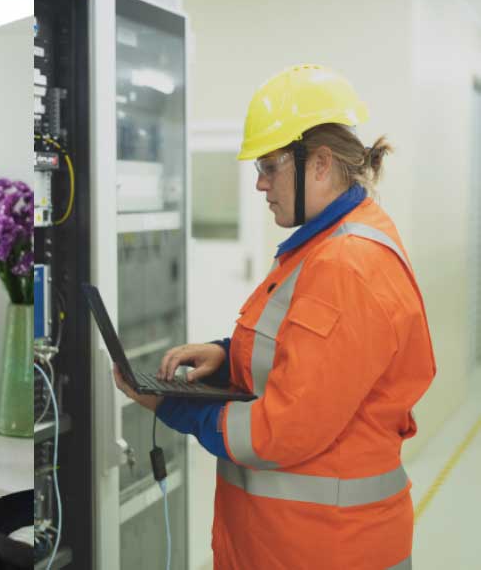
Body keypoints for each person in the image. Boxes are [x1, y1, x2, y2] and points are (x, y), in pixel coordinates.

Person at [113, 64, 434, 570]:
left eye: (268, 167)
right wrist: (224, 356)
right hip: (288, 541)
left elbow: (279, 430)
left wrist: (173, 406)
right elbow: (302, 357)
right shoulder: (325, 245)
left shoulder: (346, 265)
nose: (261, 184)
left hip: (328, 549)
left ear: (320, 164)